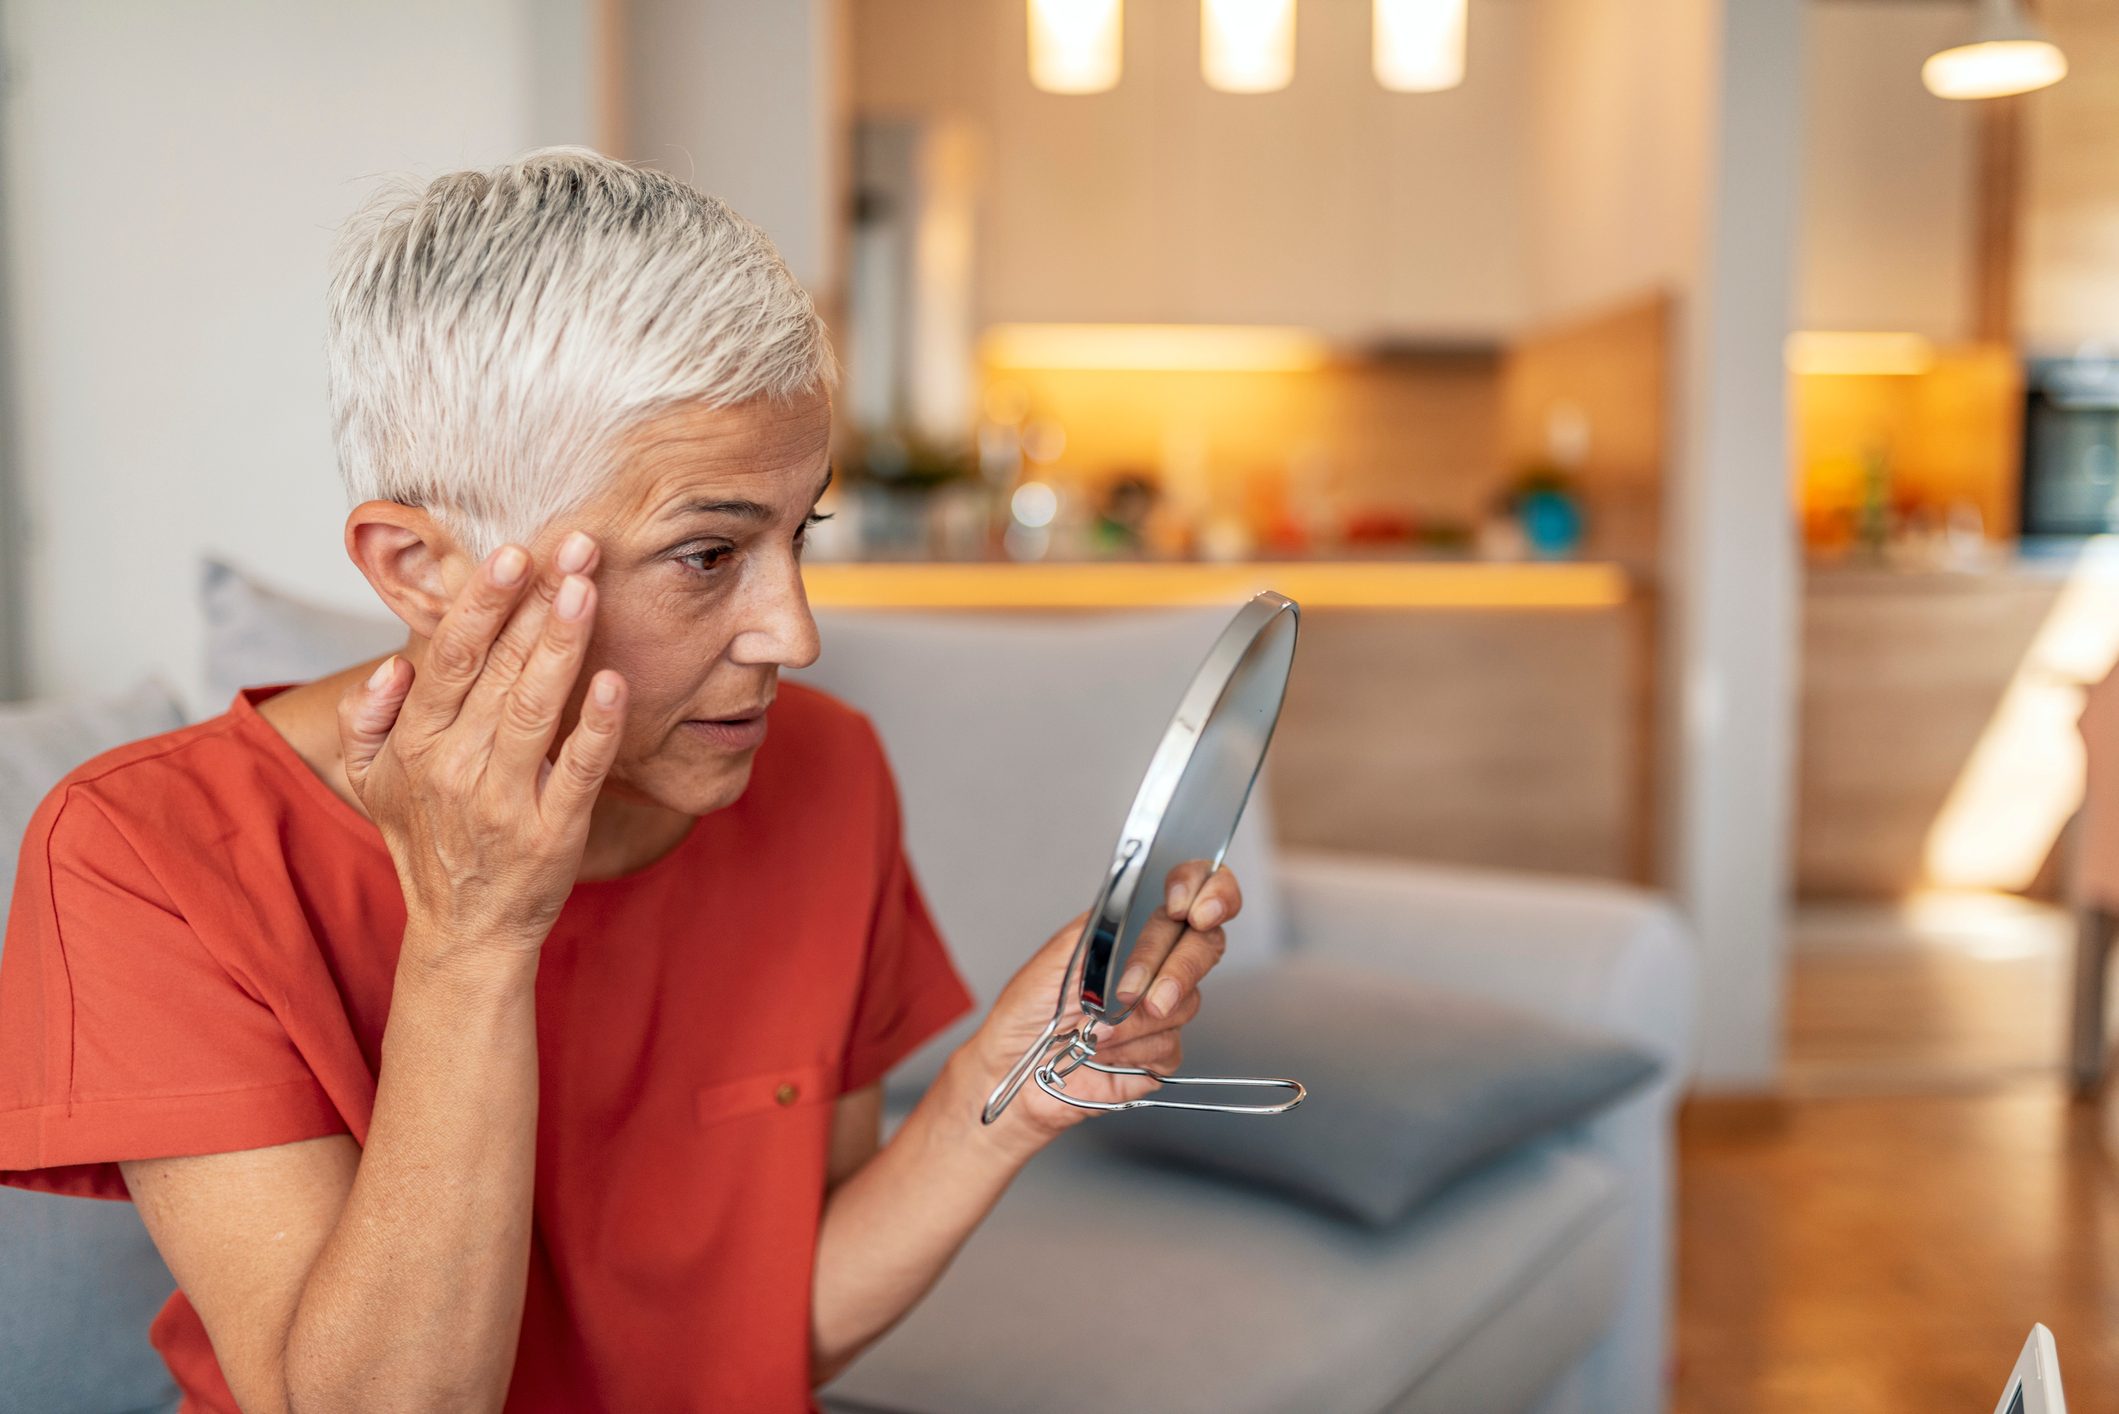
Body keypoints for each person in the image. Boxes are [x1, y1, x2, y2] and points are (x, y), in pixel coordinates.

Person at [0, 148, 1242, 1412]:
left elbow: (768, 1334)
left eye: (796, 531)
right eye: (706, 553)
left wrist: (1003, 1089)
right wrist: (474, 931)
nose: (792, 633)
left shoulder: (823, 772)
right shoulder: (142, 853)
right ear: (420, 568)